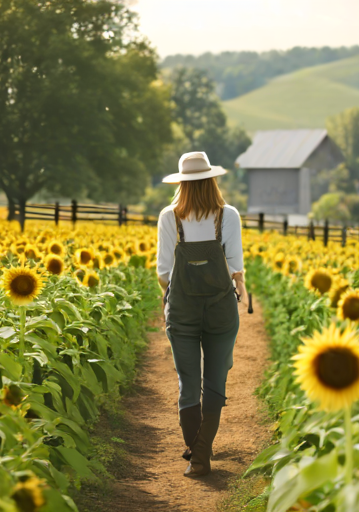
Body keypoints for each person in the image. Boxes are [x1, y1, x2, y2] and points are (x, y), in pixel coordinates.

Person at [157, 151, 247, 477]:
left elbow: (164, 272)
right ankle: (200, 455)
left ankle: (197, 451)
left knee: (188, 382)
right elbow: (235, 267)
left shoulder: (170, 217)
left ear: (182, 183)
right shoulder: (229, 216)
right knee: (215, 381)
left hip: (181, 308)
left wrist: (170, 300)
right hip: (221, 308)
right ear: (212, 180)